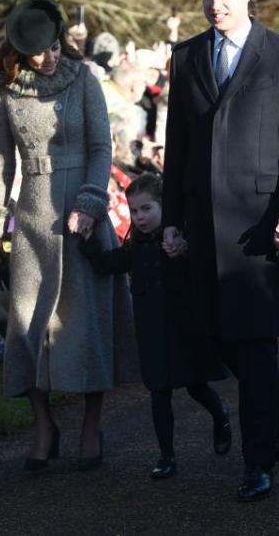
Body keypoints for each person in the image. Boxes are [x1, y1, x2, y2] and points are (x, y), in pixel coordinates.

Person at [162, 0, 279, 501]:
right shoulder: (185, 59)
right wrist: (172, 221)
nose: (215, 4)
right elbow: (178, 148)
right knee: (212, 337)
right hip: (202, 229)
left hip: (259, 230)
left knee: (254, 345)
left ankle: (258, 463)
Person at [0, 0, 138, 471]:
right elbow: (2, 159)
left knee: (86, 322)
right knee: (28, 325)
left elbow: (99, 147)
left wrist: (91, 203)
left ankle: (92, 423)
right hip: (32, 218)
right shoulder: (6, 88)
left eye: (50, 47)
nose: (45, 58)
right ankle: (43, 423)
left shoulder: (83, 78)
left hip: (80, 212)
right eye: (35, 51)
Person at [80, 173, 231, 479]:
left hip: (184, 328)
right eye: (134, 211)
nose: (139, 217)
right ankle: (167, 456)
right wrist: (86, 238)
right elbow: (107, 264)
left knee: (196, 386)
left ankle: (221, 417)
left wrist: (185, 249)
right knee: (159, 394)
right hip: (151, 332)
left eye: (146, 209)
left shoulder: (176, 242)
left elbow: (202, 267)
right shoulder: (135, 248)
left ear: (164, 205)